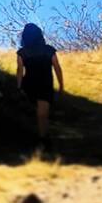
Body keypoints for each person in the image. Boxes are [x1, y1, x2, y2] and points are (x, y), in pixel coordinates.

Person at [16, 22, 63, 151]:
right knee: (42, 113)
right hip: (45, 84)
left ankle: (39, 138)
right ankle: (43, 139)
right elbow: (57, 67)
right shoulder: (49, 50)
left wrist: (19, 87)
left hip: (29, 84)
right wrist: (61, 85)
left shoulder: (22, 53)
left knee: (33, 111)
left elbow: (20, 71)